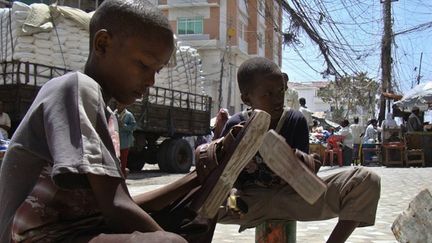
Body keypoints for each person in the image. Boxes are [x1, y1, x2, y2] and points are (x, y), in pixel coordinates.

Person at [0, 1, 195, 242]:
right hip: (34, 236)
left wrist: (195, 179)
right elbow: (116, 206)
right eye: (143, 65)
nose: (151, 80)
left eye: (157, 70)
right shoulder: (75, 87)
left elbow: (117, 202)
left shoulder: (106, 114)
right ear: (102, 44)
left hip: (74, 230)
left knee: (193, 221)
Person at [211, 57, 380, 243]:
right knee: (196, 200)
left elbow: (307, 179)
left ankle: (295, 161)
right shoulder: (236, 124)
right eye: (268, 94)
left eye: (281, 91)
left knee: (366, 181)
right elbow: (225, 178)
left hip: (293, 198)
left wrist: (301, 161)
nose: (277, 99)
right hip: (249, 203)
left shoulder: (295, 120)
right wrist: (231, 193)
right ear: (246, 98)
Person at [115, 103, 137, 176]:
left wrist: (124, 126)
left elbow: (134, 126)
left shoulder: (128, 115)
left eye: (120, 104)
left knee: (123, 160)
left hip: (125, 141)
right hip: (115, 140)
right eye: (118, 104)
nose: (118, 106)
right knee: (115, 159)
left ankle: (122, 175)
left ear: (124, 105)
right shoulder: (114, 113)